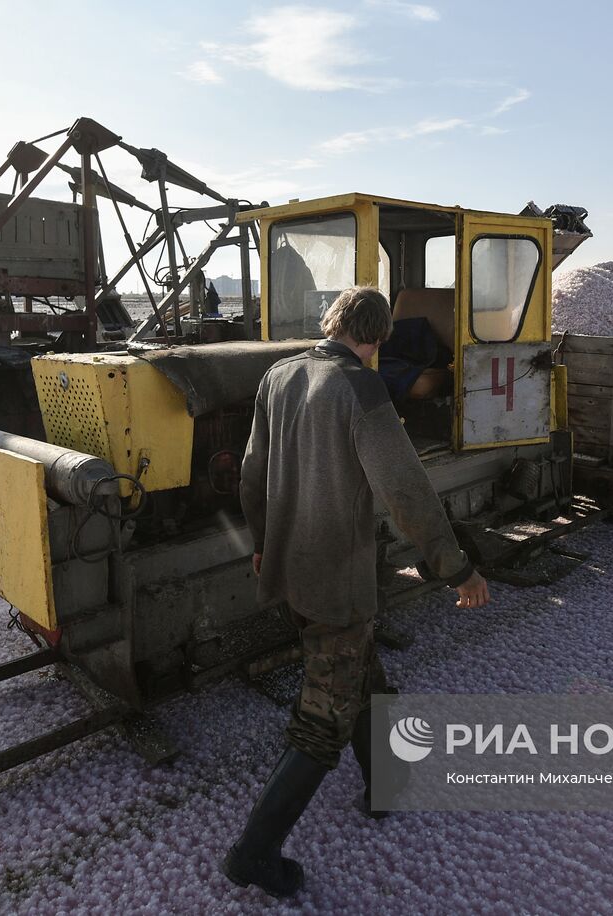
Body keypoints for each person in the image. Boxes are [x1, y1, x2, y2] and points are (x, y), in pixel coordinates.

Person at [224, 285, 490, 898]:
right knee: (324, 718)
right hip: (335, 580)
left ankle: (386, 784)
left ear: (332, 322)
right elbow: (407, 491)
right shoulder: (362, 387)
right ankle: (254, 854)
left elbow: (251, 472)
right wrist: (456, 568)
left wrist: (263, 541)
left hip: (289, 567)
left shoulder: (279, 375)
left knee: (362, 674)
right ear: (375, 338)